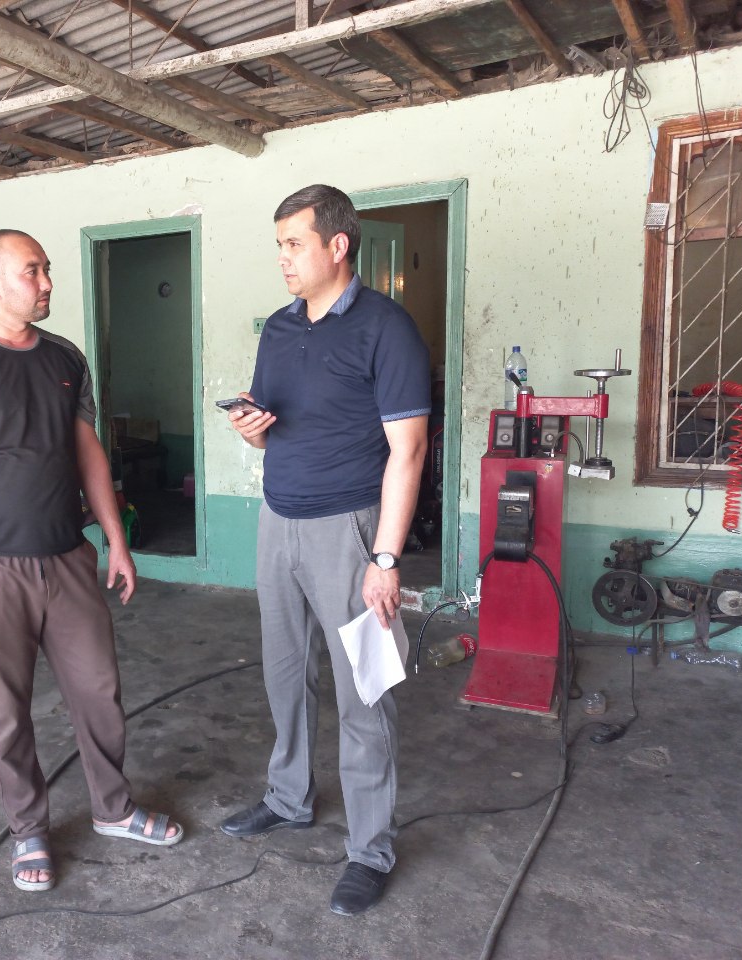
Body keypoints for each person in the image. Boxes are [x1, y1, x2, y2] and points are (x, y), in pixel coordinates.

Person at [0, 228, 182, 893]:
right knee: (6, 710)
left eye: (47, 269)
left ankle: (113, 809)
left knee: (99, 690)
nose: (47, 283)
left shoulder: (65, 358)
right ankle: (28, 828)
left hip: (66, 557)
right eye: (32, 271)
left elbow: (89, 453)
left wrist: (116, 539)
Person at [221, 184, 430, 916]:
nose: (282, 258)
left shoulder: (385, 328)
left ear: (337, 246)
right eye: (279, 245)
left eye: (294, 244)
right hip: (278, 520)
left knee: (364, 689)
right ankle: (289, 797)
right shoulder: (279, 329)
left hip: (350, 528)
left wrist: (385, 558)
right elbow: (272, 424)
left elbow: (408, 450)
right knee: (285, 674)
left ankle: (370, 848)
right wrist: (250, 430)